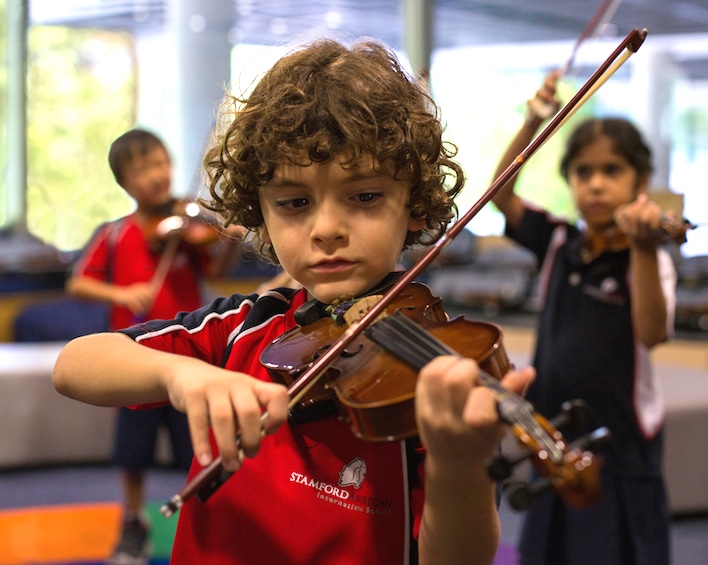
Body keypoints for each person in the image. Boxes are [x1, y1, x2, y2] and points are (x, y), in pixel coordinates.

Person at [54, 39, 534, 565]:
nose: (326, 229)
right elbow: (75, 364)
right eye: (294, 203)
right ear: (259, 211)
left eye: (365, 196)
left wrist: (458, 467)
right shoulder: (244, 326)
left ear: (415, 205)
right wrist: (182, 376)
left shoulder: (433, 376)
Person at [490, 72, 677, 565]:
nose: (596, 184)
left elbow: (654, 333)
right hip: (552, 432)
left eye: (612, 171)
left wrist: (640, 246)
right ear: (569, 180)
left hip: (621, 443)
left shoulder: (647, 255)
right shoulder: (558, 241)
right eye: (583, 172)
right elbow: (500, 197)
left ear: (639, 180)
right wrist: (532, 120)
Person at [66, 128, 237, 565]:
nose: (156, 175)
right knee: (133, 451)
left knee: (195, 446)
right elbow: (78, 283)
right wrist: (122, 295)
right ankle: (133, 519)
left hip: (186, 357)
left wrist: (229, 238)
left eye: (160, 162)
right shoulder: (116, 233)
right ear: (125, 183)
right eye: (142, 169)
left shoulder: (187, 226)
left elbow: (215, 271)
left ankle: (201, 518)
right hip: (134, 361)